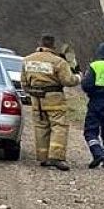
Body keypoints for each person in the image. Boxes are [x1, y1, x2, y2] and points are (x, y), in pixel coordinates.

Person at [20, 34, 79, 170]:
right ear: (53, 46)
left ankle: (43, 157)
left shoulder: (27, 60)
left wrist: (33, 92)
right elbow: (68, 81)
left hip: (36, 100)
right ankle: (56, 157)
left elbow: (23, 82)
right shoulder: (58, 62)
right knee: (59, 126)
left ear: (39, 43)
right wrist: (78, 77)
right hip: (54, 99)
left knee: (41, 127)